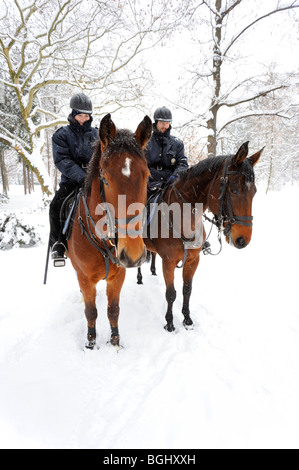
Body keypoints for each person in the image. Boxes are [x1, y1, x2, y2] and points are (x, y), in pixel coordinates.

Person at [49, 93, 98, 263]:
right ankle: (58, 244)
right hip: (71, 181)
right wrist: (82, 177)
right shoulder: (62, 135)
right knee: (55, 205)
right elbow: (62, 160)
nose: (83, 119)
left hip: (94, 181)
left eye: (86, 115)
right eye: (80, 115)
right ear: (73, 114)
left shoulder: (97, 134)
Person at [146, 106, 188, 192]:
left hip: (171, 186)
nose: (165, 126)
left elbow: (182, 164)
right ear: (156, 122)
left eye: (167, 123)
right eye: (162, 122)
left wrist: (175, 177)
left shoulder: (177, 144)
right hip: (149, 186)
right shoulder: (146, 143)